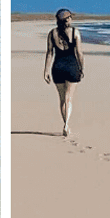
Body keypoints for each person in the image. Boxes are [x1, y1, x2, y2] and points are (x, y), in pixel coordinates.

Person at [43, 8, 84, 137]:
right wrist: (82, 68)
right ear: (68, 19)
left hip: (57, 67)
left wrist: (46, 70)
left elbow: (49, 53)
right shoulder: (75, 32)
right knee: (68, 98)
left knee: (62, 99)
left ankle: (65, 123)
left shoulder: (52, 33)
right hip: (72, 67)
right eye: (70, 17)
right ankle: (66, 124)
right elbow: (79, 53)